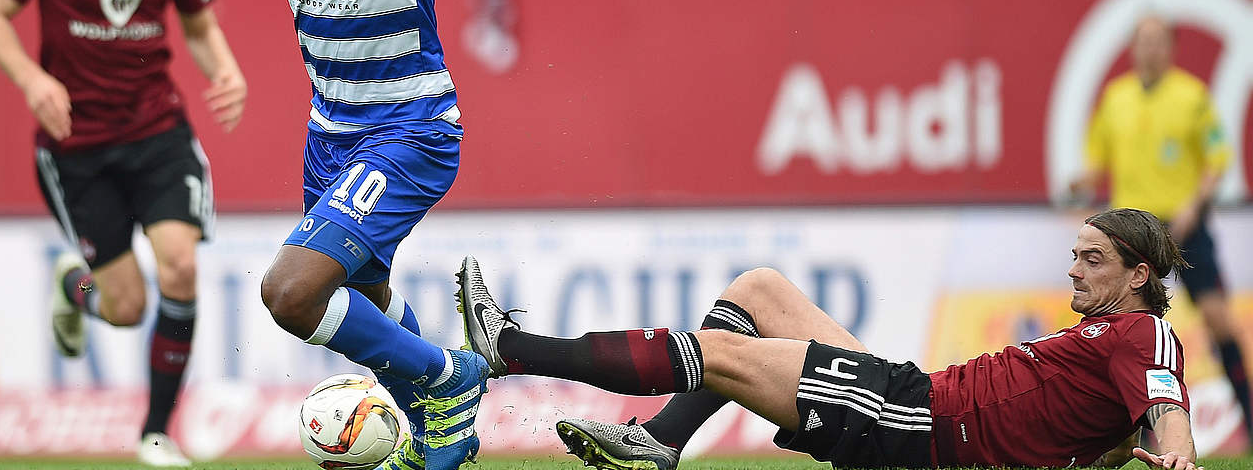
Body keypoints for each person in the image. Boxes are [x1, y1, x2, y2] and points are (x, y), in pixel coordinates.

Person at [26, 0, 495, 470]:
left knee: (290, 291)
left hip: (410, 127)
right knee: (363, 301)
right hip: (330, 136)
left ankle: (447, 379)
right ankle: (439, 434)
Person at [457, 208, 1206, 470]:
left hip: (921, 424)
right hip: (922, 399)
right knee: (760, 290)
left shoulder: (1143, 334)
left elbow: (1166, 408)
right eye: (1074, 253)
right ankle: (660, 444)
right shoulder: (1116, 337)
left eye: (1092, 258)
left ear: (1140, 273)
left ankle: (511, 351)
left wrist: (1177, 453)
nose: (1072, 269)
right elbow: (1112, 429)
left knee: (717, 353)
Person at [0, 0, 247, 468]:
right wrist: (32, 80)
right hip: (77, 147)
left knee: (180, 265)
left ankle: (156, 432)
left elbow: (199, 25)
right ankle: (77, 290)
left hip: (157, 131)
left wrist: (226, 70)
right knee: (123, 307)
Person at [1071, 15, 1251, 439]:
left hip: (1183, 225)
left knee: (1218, 319)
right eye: (1142, 41)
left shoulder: (1192, 96)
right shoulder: (1115, 98)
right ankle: (1122, 434)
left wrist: (1194, 202)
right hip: (1131, 232)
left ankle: (1249, 418)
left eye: (1158, 42)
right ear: (1132, 47)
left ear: (1170, 48)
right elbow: (1097, 161)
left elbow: (1217, 159)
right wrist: (1082, 180)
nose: (1150, 50)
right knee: (1117, 327)